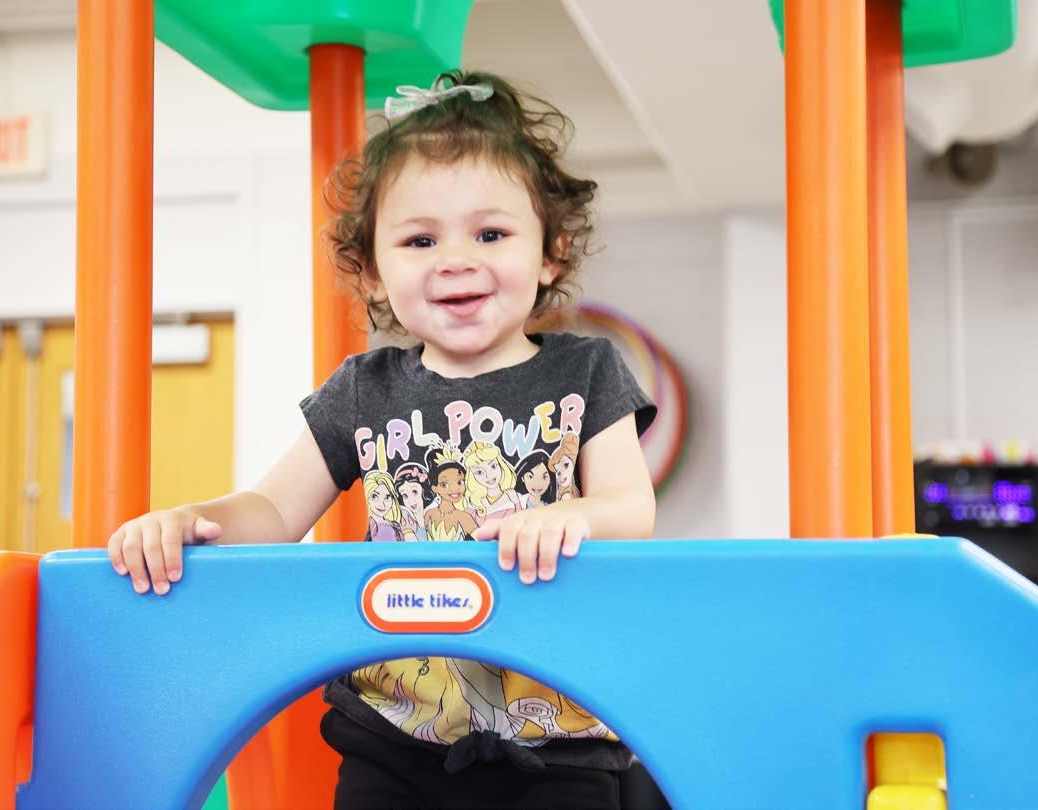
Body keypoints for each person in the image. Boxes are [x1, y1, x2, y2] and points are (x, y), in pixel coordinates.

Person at [106, 69, 657, 810]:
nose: (455, 258)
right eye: (420, 239)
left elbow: (630, 506)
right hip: (394, 735)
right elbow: (275, 510)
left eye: (491, 234)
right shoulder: (364, 390)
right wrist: (190, 520)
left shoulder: (586, 370)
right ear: (371, 271)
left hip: (558, 735)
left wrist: (571, 517)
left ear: (550, 252)